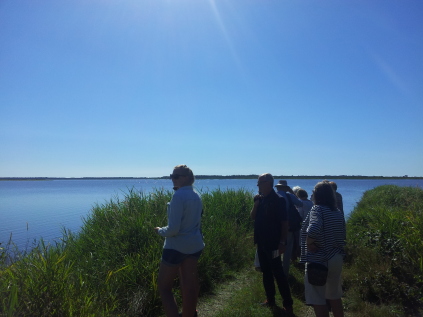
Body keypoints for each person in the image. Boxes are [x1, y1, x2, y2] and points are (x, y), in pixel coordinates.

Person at [154, 165, 204, 317]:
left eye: (176, 176)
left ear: (187, 178)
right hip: (194, 245)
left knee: (164, 287)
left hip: (176, 247)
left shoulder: (178, 196)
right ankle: (189, 314)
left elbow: (173, 229)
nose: (172, 179)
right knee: (188, 284)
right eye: (172, 176)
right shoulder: (196, 195)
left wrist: (159, 230)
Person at [300, 181, 346, 317]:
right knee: (334, 296)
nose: (312, 194)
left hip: (320, 260)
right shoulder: (337, 211)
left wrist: (309, 242)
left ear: (317, 194)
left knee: (317, 299)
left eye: (313, 191)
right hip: (336, 257)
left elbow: (313, 229)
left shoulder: (317, 209)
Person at [251, 173, 294, 315]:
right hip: (262, 242)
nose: (258, 186)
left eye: (260, 183)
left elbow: (284, 222)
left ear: (268, 183)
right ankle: (270, 299)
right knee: (266, 272)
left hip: (274, 243)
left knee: (278, 273)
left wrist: (282, 242)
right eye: (257, 183)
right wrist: (256, 205)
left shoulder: (278, 200)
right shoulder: (260, 199)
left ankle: (288, 304)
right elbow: (253, 217)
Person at [275, 180, 303, 276]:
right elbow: (300, 204)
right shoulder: (289, 196)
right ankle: (285, 273)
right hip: (288, 227)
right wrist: (292, 193)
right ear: (286, 188)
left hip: (275, 228)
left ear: (277, 187)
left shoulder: (272, 196)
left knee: (275, 249)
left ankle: (275, 271)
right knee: (287, 250)